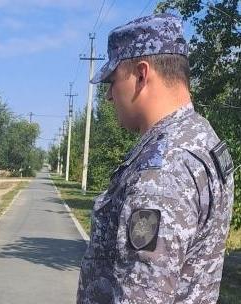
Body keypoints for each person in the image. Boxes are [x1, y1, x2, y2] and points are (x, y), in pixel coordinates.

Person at [77, 13, 234, 303]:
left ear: (141, 74)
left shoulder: (162, 169)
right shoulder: (203, 138)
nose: (109, 96)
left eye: (112, 81)